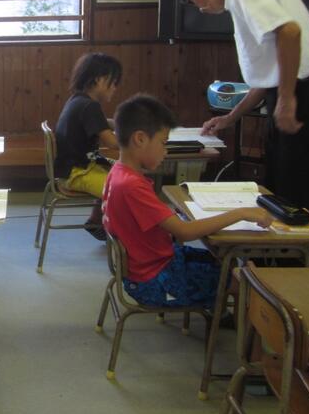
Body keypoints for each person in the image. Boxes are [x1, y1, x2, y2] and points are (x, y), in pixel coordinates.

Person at [175, 0, 309, 265]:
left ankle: (293, 275)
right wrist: (231, 117)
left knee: (298, 194)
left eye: (195, 2)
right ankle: (273, 272)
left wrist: (286, 98)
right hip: (292, 92)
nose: (201, 9)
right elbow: (267, 75)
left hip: (303, 95)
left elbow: (289, 32)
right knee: (278, 191)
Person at [102, 94, 273, 309]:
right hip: (155, 278)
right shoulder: (132, 185)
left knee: (228, 263)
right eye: (164, 143)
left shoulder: (118, 173)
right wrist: (241, 213)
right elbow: (184, 233)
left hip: (151, 265)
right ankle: (235, 323)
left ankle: (221, 314)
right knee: (243, 280)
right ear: (140, 139)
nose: (165, 152)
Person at [54, 53, 122, 240]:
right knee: (121, 190)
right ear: (99, 79)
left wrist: (121, 124)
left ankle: (95, 221)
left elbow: (103, 123)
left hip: (72, 168)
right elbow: (112, 143)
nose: (115, 88)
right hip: (77, 173)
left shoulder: (78, 100)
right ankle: (120, 239)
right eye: (113, 82)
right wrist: (137, 140)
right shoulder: (90, 107)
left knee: (118, 173)